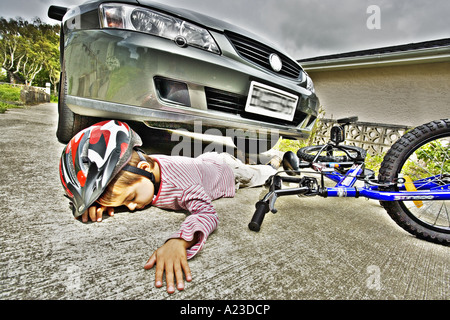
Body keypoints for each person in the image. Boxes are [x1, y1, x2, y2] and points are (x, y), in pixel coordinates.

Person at [59, 120, 285, 294]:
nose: (130, 207)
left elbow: (207, 213)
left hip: (226, 172)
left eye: (130, 198)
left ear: (146, 168)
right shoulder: (143, 166)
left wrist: (180, 240)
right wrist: (102, 204)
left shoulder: (183, 186)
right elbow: (120, 185)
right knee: (235, 162)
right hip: (206, 161)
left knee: (257, 175)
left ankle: (276, 162)